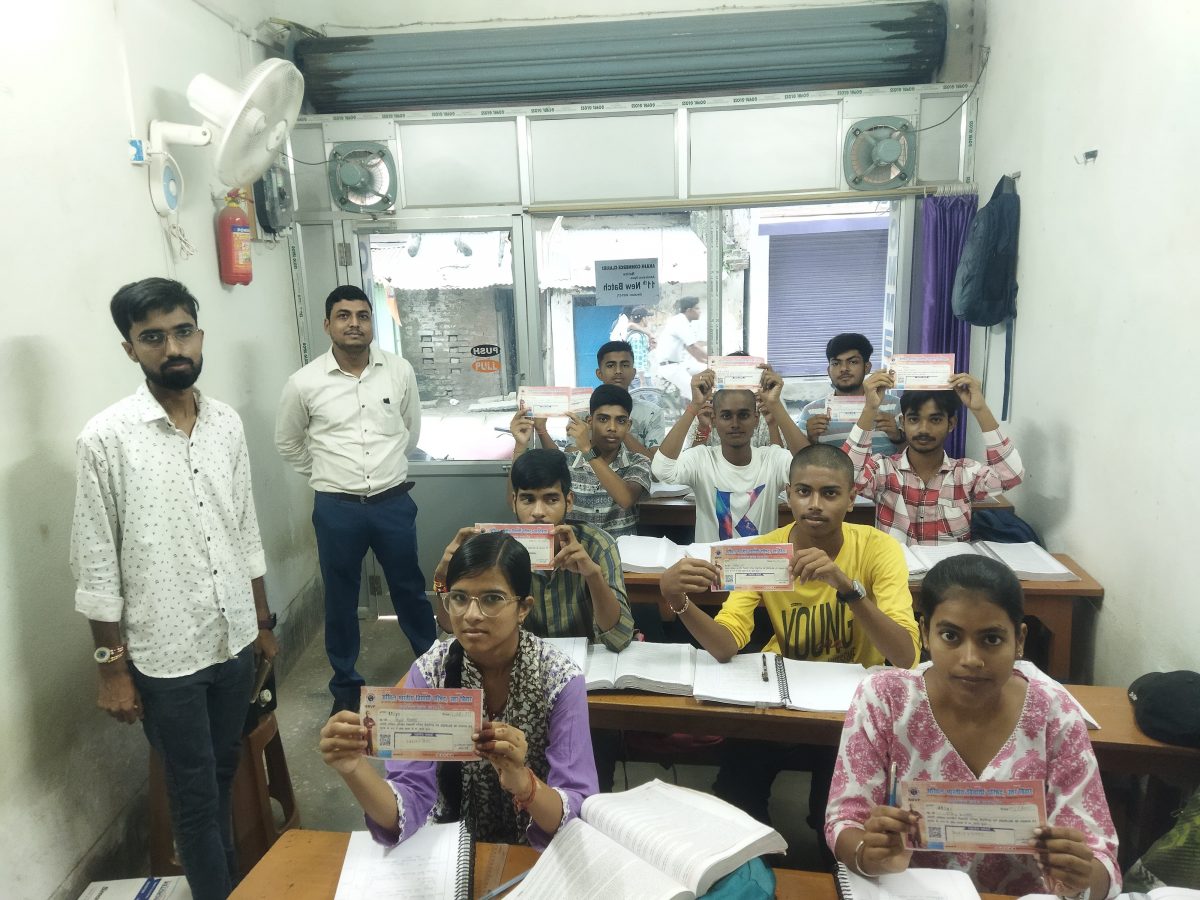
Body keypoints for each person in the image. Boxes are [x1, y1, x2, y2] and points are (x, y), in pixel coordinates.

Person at [71, 278, 277, 900]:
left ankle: (226, 885)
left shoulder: (225, 424)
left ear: (200, 335)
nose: (173, 348)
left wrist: (262, 623)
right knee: (193, 794)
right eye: (153, 337)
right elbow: (96, 563)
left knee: (222, 772)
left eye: (183, 331)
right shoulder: (105, 438)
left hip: (233, 639)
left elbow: (245, 528)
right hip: (167, 655)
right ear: (130, 349)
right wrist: (111, 668)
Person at [659, 443, 918, 846]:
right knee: (736, 798)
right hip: (779, 696)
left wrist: (847, 588)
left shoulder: (877, 548)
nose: (814, 504)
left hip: (850, 709)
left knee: (835, 819)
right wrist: (678, 600)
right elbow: (725, 645)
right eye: (803, 492)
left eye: (829, 493)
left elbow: (904, 655)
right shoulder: (764, 551)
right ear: (788, 495)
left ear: (851, 499)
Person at [825, 554, 1120, 898]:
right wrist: (867, 853)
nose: (971, 659)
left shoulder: (1054, 715)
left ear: (1019, 640)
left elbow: (1101, 861)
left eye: (991, 639)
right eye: (950, 636)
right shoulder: (886, 700)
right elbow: (845, 820)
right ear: (925, 633)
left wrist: (1082, 877)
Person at [319, 533, 598, 848]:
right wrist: (354, 769)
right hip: (448, 849)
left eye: (492, 598)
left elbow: (576, 809)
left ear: (523, 608)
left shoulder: (558, 678)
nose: (471, 615)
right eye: (459, 598)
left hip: (537, 850)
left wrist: (524, 783)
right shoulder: (430, 672)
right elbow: (408, 801)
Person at [275, 285, 435, 714]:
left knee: (410, 589)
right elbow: (288, 442)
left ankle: (434, 670)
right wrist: (327, 475)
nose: (354, 324)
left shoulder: (398, 371)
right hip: (337, 509)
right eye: (343, 316)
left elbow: (410, 432)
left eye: (362, 315)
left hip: (392, 504)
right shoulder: (304, 382)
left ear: (371, 322)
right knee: (340, 599)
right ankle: (346, 687)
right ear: (327, 324)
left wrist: (384, 469)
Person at [436, 449, 634, 653]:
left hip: (587, 663)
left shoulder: (597, 545)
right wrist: (442, 578)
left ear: (568, 501)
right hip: (519, 662)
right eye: (528, 499)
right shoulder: (495, 552)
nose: (538, 512)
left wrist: (592, 575)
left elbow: (619, 638)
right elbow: (450, 632)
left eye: (551, 499)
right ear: (514, 502)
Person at [846, 369, 1024, 544]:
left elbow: (1010, 476)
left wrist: (980, 409)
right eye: (914, 419)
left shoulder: (964, 474)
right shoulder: (883, 470)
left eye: (935, 420)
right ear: (902, 423)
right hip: (897, 564)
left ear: (951, 423)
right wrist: (870, 408)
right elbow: (845, 476)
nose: (924, 429)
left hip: (950, 564)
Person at [650, 367, 809, 543]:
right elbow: (661, 469)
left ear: (756, 420)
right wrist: (694, 405)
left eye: (743, 415)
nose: (735, 424)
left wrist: (775, 404)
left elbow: (811, 468)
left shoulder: (772, 459)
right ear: (714, 420)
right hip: (709, 560)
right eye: (726, 416)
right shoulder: (701, 458)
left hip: (761, 560)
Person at [559, 385, 650, 539]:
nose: (612, 428)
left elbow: (625, 499)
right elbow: (518, 496)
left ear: (628, 426)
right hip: (574, 552)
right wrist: (521, 445)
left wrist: (588, 451)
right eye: (603, 419)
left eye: (621, 421)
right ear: (590, 421)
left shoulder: (639, 462)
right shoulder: (565, 463)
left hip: (621, 553)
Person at [796, 333, 904, 455]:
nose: (844, 369)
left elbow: (911, 455)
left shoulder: (894, 405)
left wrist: (898, 436)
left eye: (852, 362)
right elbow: (800, 459)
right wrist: (810, 439)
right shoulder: (811, 412)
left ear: (867, 367)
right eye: (836, 363)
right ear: (828, 370)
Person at [656, 296, 707, 398]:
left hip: (678, 364)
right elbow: (694, 347)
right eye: (697, 308)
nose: (700, 311)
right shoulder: (680, 321)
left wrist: (707, 362)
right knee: (697, 395)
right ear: (689, 310)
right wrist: (714, 360)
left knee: (707, 370)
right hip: (671, 367)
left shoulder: (684, 322)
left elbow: (691, 350)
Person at [625, 306, 655, 386]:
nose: (648, 320)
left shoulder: (640, 334)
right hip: (639, 377)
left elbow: (641, 355)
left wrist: (650, 348)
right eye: (647, 317)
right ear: (643, 319)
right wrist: (642, 381)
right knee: (650, 395)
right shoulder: (637, 337)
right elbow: (637, 360)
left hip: (639, 376)